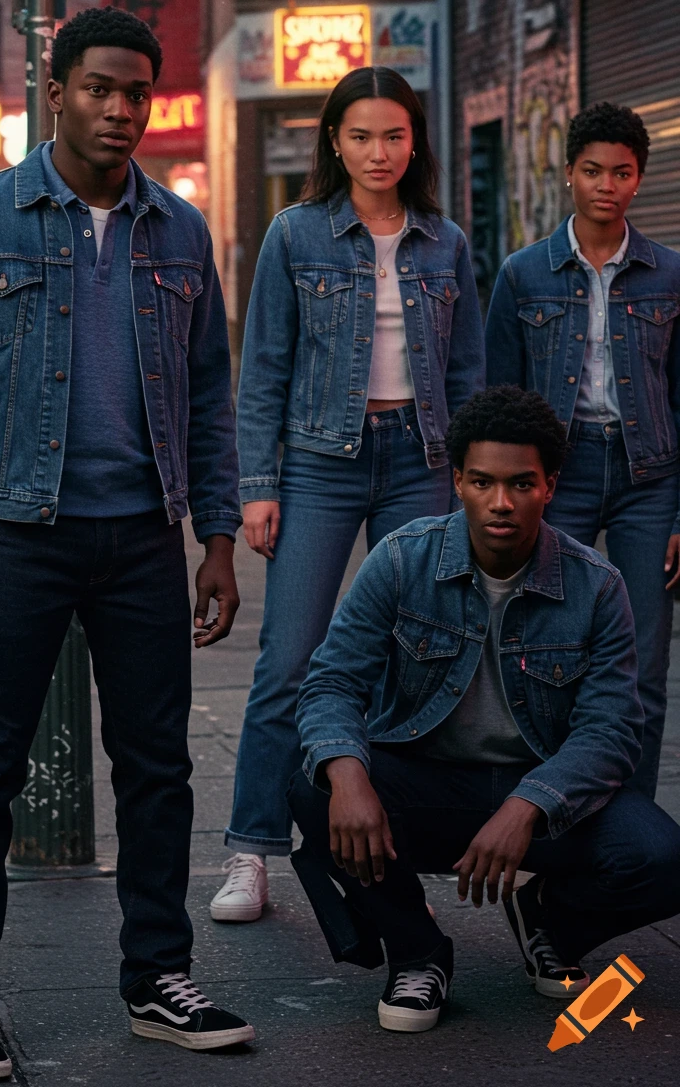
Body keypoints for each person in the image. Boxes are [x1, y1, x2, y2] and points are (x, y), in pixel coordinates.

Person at [0, 6, 253, 1080]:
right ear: (55, 90)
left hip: (144, 534)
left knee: (156, 764)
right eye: (98, 87)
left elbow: (207, 396)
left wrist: (219, 537)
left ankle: (157, 974)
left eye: (136, 91)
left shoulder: (179, 231)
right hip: (14, 530)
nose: (119, 108)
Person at [289, 386, 680, 1033]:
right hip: (426, 786)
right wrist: (349, 776)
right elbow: (330, 682)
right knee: (311, 784)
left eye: (522, 483)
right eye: (483, 482)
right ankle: (418, 951)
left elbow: (612, 731)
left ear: (550, 485)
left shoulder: (596, 586)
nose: (502, 503)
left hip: (543, 800)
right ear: (459, 483)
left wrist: (530, 805)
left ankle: (550, 919)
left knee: (662, 859)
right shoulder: (401, 560)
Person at [211, 66, 485, 924]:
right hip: (320, 464)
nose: (379, 152)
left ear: (416, 143)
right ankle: (250, 851)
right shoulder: (296, 235)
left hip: (423, 460)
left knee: (424, 653)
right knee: (290, 656)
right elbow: (261, 371)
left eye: (394, 136)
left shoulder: (446, 242)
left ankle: (399, 830)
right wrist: (258, 487)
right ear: (334, 140)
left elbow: (472, 371)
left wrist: (472, 480)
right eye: (361, 135)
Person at [486, 102, 680, 797]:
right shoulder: (523, 274)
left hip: (647, 478)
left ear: (639, 179)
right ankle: (550, 811)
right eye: (593, 170)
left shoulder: (669, 274)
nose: (607, 184)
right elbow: (499, 399)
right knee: (548, 651)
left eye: (622, 172)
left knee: (642, 664)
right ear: (568, 173)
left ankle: (634, 827)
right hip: (556, 479)